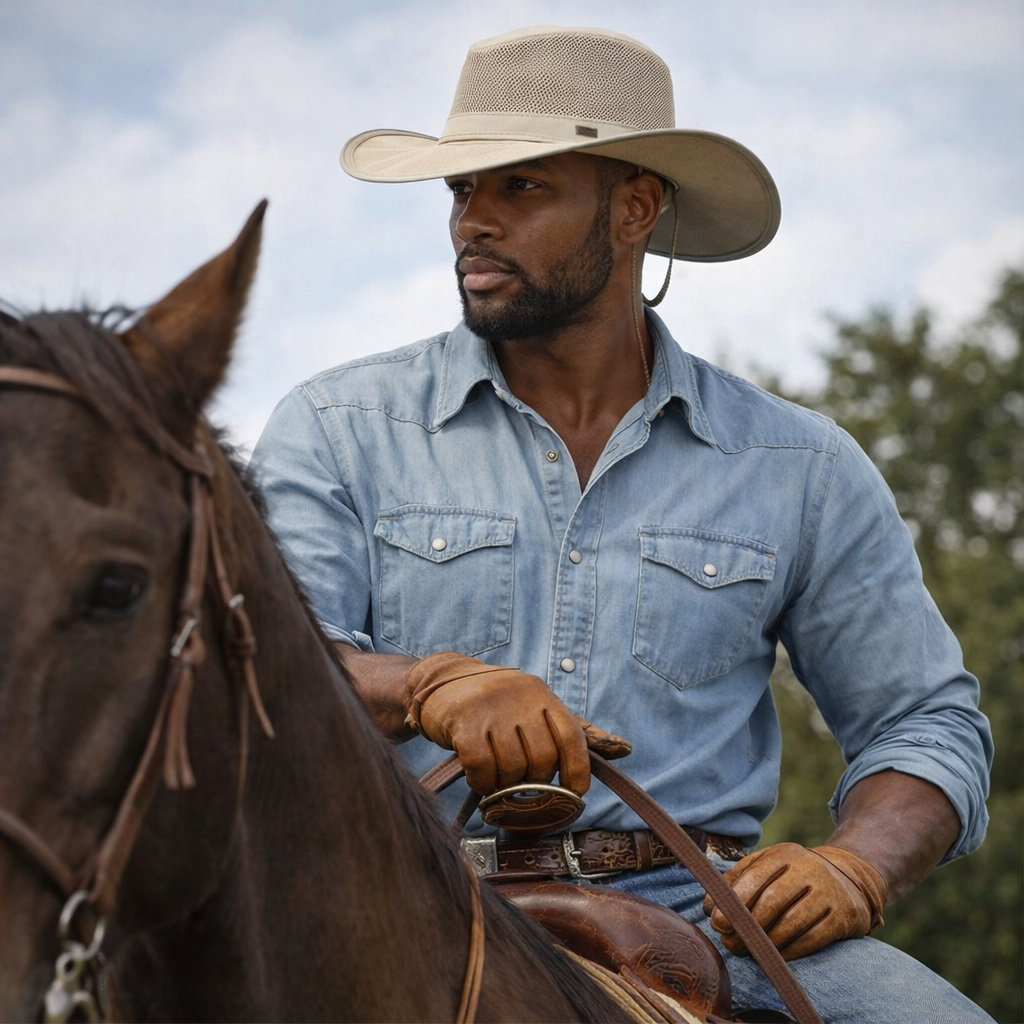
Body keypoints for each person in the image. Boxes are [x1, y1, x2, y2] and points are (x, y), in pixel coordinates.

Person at [252, 25, 994, 1022]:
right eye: (462, 190)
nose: (473, 221)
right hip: (403, 897)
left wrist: (856, 866)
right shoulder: (337, 427)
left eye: (521, 186)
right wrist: (430, 684)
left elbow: (926, 721)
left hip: (705, 920)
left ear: (636, 207)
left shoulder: (800, 465)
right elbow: (266, 666)